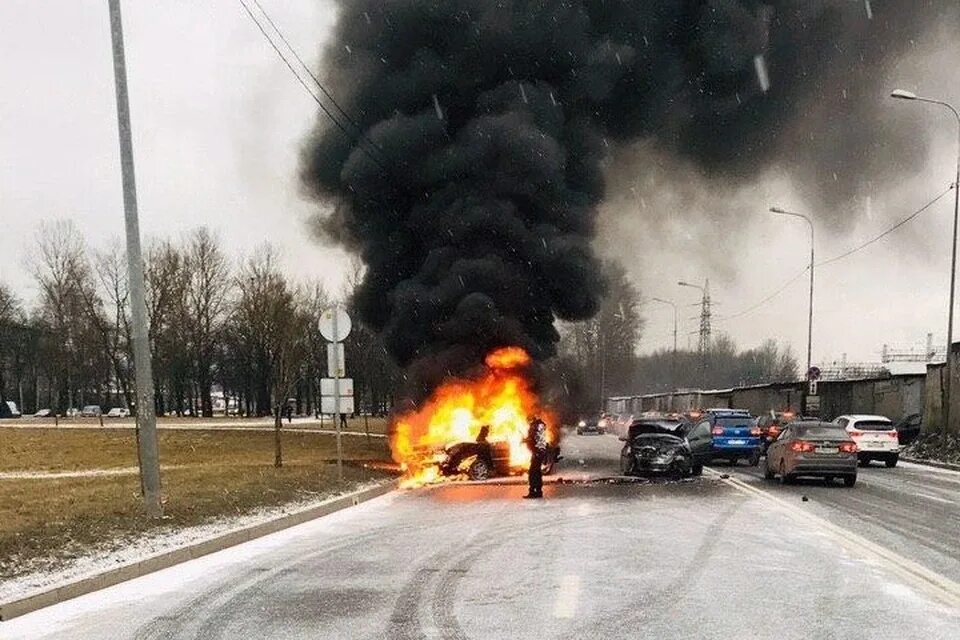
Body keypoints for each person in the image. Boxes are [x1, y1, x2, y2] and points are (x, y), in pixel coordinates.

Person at [524, 415, 547, 499]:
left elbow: (536, 439)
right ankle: (538, 491)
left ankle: (533, 491)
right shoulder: (538, 426)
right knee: (536, 472)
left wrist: (527, 440)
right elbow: (535, 439)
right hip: (538, 452)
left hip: (537, 453)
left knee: (533, 473)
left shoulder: (535, 427)